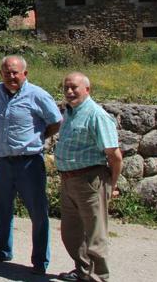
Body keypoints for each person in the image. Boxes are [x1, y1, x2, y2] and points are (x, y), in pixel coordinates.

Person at [0, 56, 63, 275]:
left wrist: (37, 138)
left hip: (29, 162)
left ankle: (40, 261)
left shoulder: (37, 95)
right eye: (7, 72)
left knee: (37, 213)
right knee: (1, 208)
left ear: (25, 74)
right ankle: (2, 249)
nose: (11, 77)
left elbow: (56, 121)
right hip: (3, 161)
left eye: (15, 73)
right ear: (1, 73)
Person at [54, 72, 121, 282]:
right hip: (69, 180)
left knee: (95, 235)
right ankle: (83, 271)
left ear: (87, 89)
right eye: (66, 88)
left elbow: (115, 155)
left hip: (90, 181)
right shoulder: (70, 113)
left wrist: (112, 185)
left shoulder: (96, 115)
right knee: (71, 233)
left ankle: (99, 277)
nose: (69, 91)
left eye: (74, 87)